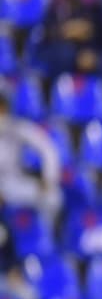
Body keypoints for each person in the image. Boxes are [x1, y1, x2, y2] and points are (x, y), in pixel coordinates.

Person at [0, 91, 61, 225]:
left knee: (52, 197)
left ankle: (43, 237)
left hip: (13, 183)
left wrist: (48, 178)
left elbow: (48, 148)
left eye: (2, 107)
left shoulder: (17, 127)